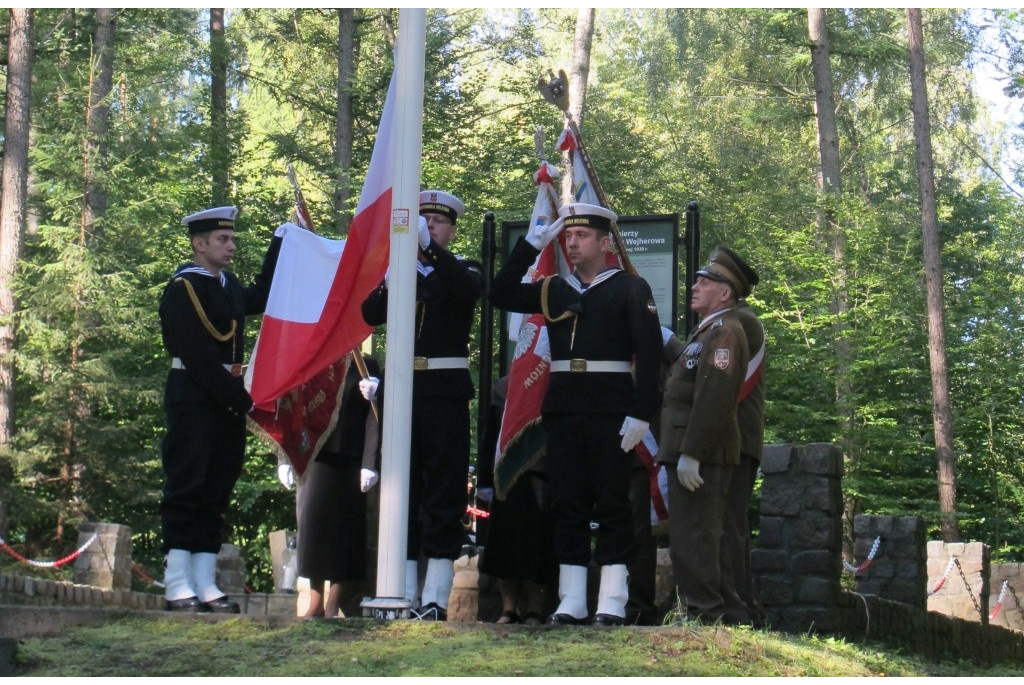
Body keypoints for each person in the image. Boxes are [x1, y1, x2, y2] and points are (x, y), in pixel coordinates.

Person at [490, 202, 662, 626]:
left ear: (605, 244)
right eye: (567, 236)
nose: (571, 242)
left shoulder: (629, 289)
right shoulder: (553, 289)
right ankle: (572, 600)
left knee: (611, 504)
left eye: (581, 235)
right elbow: (500, 293)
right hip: (564, 410)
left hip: (610, 410)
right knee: (567, 505)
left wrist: (641, 414)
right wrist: (531, 245)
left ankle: (613, 600)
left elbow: (652, 354)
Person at [360, 191, 482, 621]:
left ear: (451, 230)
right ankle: (403, 591)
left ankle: (435, 595)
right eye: (423, 221)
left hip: (444, 393)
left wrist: (428, 253)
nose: (429, 227)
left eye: (437, 223)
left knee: (442, 490)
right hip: (403, 389)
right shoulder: (401, 269)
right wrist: (395, 275)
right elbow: (369, 311)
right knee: (403, 490)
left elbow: (466, 290)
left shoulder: (462, 267)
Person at [159, 205, 281, 613]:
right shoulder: (183, 289)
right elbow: (196, 357)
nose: (231, 246)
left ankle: (204, 579)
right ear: (199, 244)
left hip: (224, 401)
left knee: (216, 487)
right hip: (194, 397)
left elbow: (259, 296)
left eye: (232, 239)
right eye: (222, 240)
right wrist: (241, 399)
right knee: (187, 484)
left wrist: (282, 243)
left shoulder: (226, 285)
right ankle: (177, 580)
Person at [659, 246, 752, 624]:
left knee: (694, 537)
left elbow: (714, 396)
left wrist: (692, 452)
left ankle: (704, 615)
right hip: (696, 449)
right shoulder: (710, 331)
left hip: (703, 453)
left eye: (704, 281)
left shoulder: (726, 332)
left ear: (725, 293)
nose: (695, 286)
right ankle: (726, 614)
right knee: (701, 535)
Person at [277, 352, 381, 619]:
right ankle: (315, 601)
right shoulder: (309, 357)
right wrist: (285, 457)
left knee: (343, 532)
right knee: (312, 529)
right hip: (311, 455)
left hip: (349, 458)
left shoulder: (364, 364)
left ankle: (334, 602)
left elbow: (374, 417)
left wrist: (370, 461)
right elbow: (291, 408)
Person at [476, 376, 557, 626]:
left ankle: (535, 609)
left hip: (542, 473)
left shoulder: (553, 382)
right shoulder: (503, 386)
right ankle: (508, 608)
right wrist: (485, 480)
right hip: (508, 475)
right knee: (505, 545)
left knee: (538, 545)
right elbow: (490, 434)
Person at [716, 247, 768, 626]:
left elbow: (720, 384)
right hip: (733, 438)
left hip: (734, 438)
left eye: (711, 279)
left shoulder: (739, 323)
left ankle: (739, 606)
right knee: (727, 523)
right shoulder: (737, 321)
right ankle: (739, 602)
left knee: (729, 524)